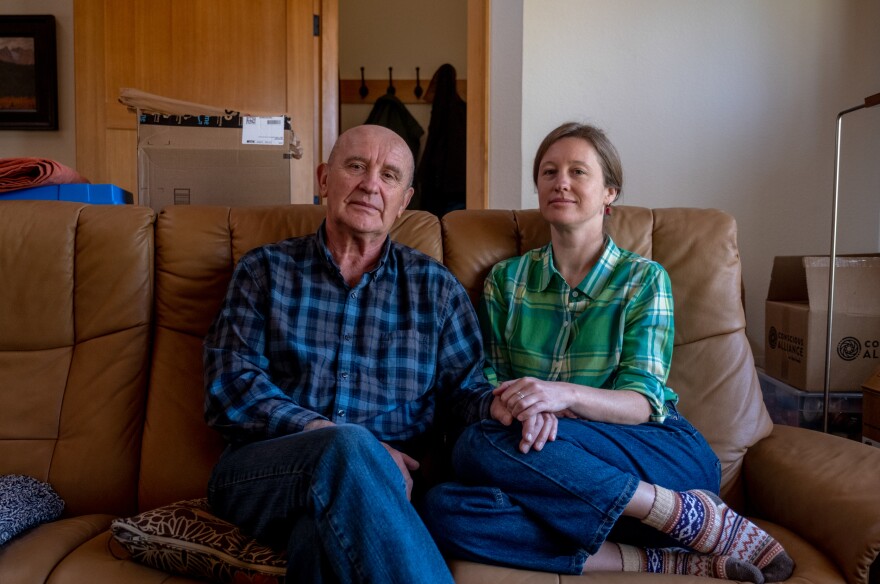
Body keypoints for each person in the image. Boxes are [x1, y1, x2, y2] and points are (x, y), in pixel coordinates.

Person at [423, 122, 795, 583]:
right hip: (556, 468)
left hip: (659, 454)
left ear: (608, 193)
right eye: (549, 172)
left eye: (578, 171)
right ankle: (664, 555)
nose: (560, 181)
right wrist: (521, 410)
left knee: (480, 446)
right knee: (443, 507)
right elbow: (492, 382)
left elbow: (642, 401)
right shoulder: (507, 281)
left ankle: (691, 514)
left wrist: (560, 397)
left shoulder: (644, 279)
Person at [202, 124, 525, 583]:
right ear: (324, 179)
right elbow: (229, 389)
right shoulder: (264, 271)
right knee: (349, 447)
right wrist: (334, 437)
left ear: (404, 199)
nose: (371, 184)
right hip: (262, 473)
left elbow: (464, 393)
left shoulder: (436, 290)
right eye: (356, 166)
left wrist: (501, 402)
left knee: (318, 539)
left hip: (387, 492)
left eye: (389, 175)